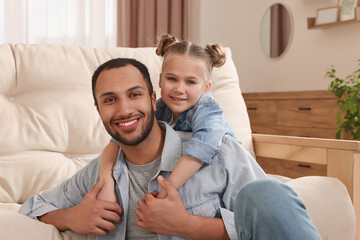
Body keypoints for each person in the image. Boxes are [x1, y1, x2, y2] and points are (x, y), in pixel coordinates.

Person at [19, 57, 321, 240]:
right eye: (110, 100)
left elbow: (269, 225)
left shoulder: (218, 152)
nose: (124, 110)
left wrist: (186, 225)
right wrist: (71, 217)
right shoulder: (99, 177)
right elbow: (33, 208)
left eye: (134, 95)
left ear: (153, 100)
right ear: (97, 109)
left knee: (268, 193)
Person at [97, 34, 236, 201]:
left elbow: (201, 148)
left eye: (190, 82)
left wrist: (165, 191)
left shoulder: (208, 110)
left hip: (227, 176)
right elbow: (118, 141)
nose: (179, 88)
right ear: (160, 80)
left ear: (206, 87)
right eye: (172, 79)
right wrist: (106, 183)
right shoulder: (161, 107)